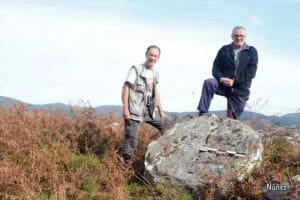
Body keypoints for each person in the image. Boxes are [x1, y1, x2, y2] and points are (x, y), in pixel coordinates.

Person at [197, 26, 258, 119]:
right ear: (232, 36)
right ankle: (202, 113)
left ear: (245, 37)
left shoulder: (251, 51)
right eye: (236, 35)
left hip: (240, 89)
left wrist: (234, 81)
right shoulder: (224, 50)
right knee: (209, 83)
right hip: (223, 85)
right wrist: (221, 78)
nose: (239, 38)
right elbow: (216, 68)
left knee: (232, 120)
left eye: (241, 35)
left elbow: (251, 72)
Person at [121, 45, 169, 162]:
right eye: (151, 55)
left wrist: (161, 111)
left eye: (155, 56)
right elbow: (125, 88)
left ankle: (154, 149)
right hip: (135, 109)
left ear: (158, 57)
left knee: (167, 125)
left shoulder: (155, 73)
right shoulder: (136, 69)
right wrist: (126, 109)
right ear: (146, 55)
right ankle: (124, 164)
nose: (153, 58)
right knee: (132, 140)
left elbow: (156, 92)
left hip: (149, 109)